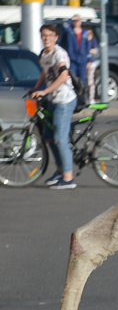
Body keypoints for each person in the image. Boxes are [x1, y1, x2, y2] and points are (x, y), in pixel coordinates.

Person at [30, 23, 78, 189]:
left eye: (50, 35)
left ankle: (68, 177)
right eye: (44, 35)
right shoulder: (44, 54)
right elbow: (45, 71)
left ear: (56, 37)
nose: (46, 38)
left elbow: (64, 75)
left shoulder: (60, 54)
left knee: (59, 139)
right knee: (48, 136)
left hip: (65, 100)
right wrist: (37, 87)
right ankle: (59, 169)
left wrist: (45, 91)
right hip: (54, 99)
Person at [63, 15, 98, 104]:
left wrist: (89, 60)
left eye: (77, 20)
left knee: (83, 80)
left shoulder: (85, 33)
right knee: (72, 80)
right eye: (74, 20)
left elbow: (88, 48)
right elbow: (63, 42)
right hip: (72, 60)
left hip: (82, 60)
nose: (76, 22)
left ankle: (83, 99)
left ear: (81, 21)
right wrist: (70, 21)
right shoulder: (69, 32)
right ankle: (73, 100)